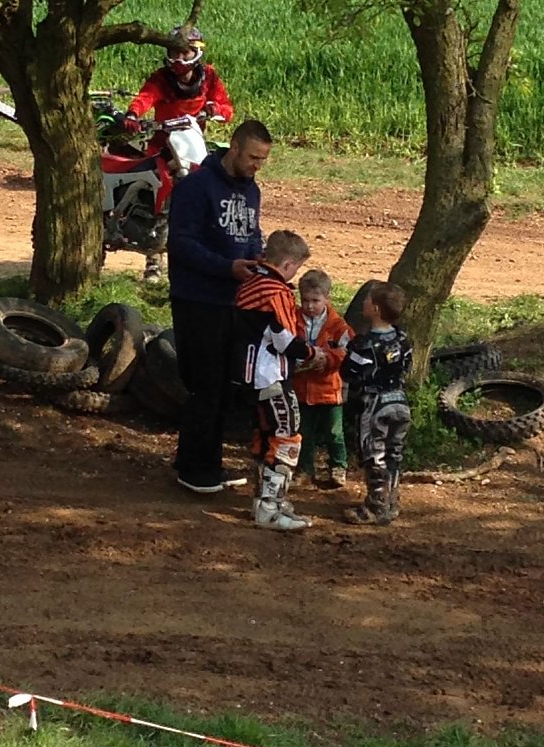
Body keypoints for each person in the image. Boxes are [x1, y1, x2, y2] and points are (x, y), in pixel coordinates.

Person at [167, 119, 272, 494]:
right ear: (234, 147)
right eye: (253, 157)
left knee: (225, 387)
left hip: (234, 300)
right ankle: (194, 469)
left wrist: (261, 264)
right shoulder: (196, 187)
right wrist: (227, 268)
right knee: (205, 385)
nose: (257, 166)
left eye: (263, 160)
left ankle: (207, 464)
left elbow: (250, 235)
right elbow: (181, 243)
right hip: (198, 299)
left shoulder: (252, 191)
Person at [124, 26, 234, 282]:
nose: (179, 60)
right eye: (174, 53)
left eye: (184, 53)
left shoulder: (209, 77)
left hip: (192, 146)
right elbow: (145, 97)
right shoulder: (161, 78)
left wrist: (215, 108)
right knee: (157, 200)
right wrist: (132, 115)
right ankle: (153, 260)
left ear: (196, 52)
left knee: (209, 192)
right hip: (162, 144)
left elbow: (228, 109)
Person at [235, 231, 326, 531]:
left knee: (265, 436)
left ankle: (262, 500)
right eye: (296, 268)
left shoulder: (250, 283)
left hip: (249, 376)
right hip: (271, 375)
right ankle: (270, 508)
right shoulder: (276, 292)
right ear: (288, 264)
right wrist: (314, 353)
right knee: (287, 436)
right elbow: (285, 339)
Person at [341, 280, 413, 525]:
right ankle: (392, 501)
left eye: (368, 301)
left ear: (376, 310)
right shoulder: (403, 338)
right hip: (400, 401)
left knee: (375, 455)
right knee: (394, 452)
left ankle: (376, 506)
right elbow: (407, 365)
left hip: (374, 404)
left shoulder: (363, 345)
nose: (363, 303)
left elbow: (348, 372)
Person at [292, 269, 354, 487]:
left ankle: (338, 466)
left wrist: (327, 360)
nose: (309, 306)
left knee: (334, 432)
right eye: (305, 300)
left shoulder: (338, 326)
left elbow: (347, 351)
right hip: (301, 389)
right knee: (303, 432)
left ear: (327, 298)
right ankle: (304, 469)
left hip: (329, 389)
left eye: (315, 301)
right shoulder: (293, 319)